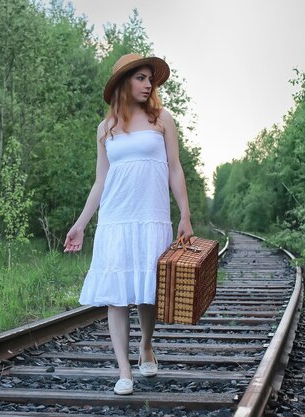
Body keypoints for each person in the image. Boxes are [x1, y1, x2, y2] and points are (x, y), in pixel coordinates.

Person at [63, 53, 193, 395]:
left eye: (150, 78)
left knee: (147, 293)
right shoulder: (105, 129)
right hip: (115, 220)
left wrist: (185, 215)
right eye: (140, 78)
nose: (148, 84)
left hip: (151, 218)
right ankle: (124, 370)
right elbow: (100, 182)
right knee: (117, 297)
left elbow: (175, 169)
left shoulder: (162, 118)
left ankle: (146, 345)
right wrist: (80, 224)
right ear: (123, 82)